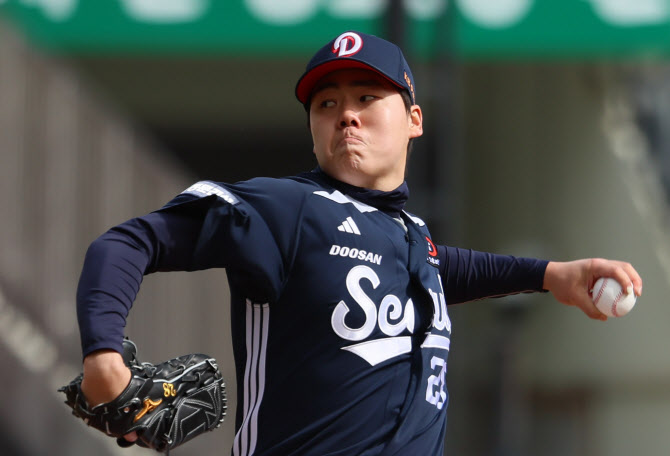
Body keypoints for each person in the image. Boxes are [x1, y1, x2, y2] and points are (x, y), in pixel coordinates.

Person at [77, 31, 643, 456]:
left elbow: (438, 267)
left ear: (414, 119)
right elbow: (128, 243)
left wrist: (549, 275)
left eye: (366, 97)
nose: (346, 115)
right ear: (313, 130)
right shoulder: (287, 208)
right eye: (327, 104)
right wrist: (104, 354)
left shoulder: (408, 234)